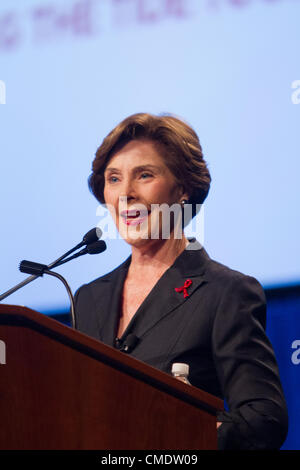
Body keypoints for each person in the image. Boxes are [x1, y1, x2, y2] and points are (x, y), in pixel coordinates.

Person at [74, 112, 288, 450]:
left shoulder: (225, 293)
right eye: (113, 178)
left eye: (144, 175)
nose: (125, 193)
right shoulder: (88, 300)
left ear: (183, 188)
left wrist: (181, 430)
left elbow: (264, 419)